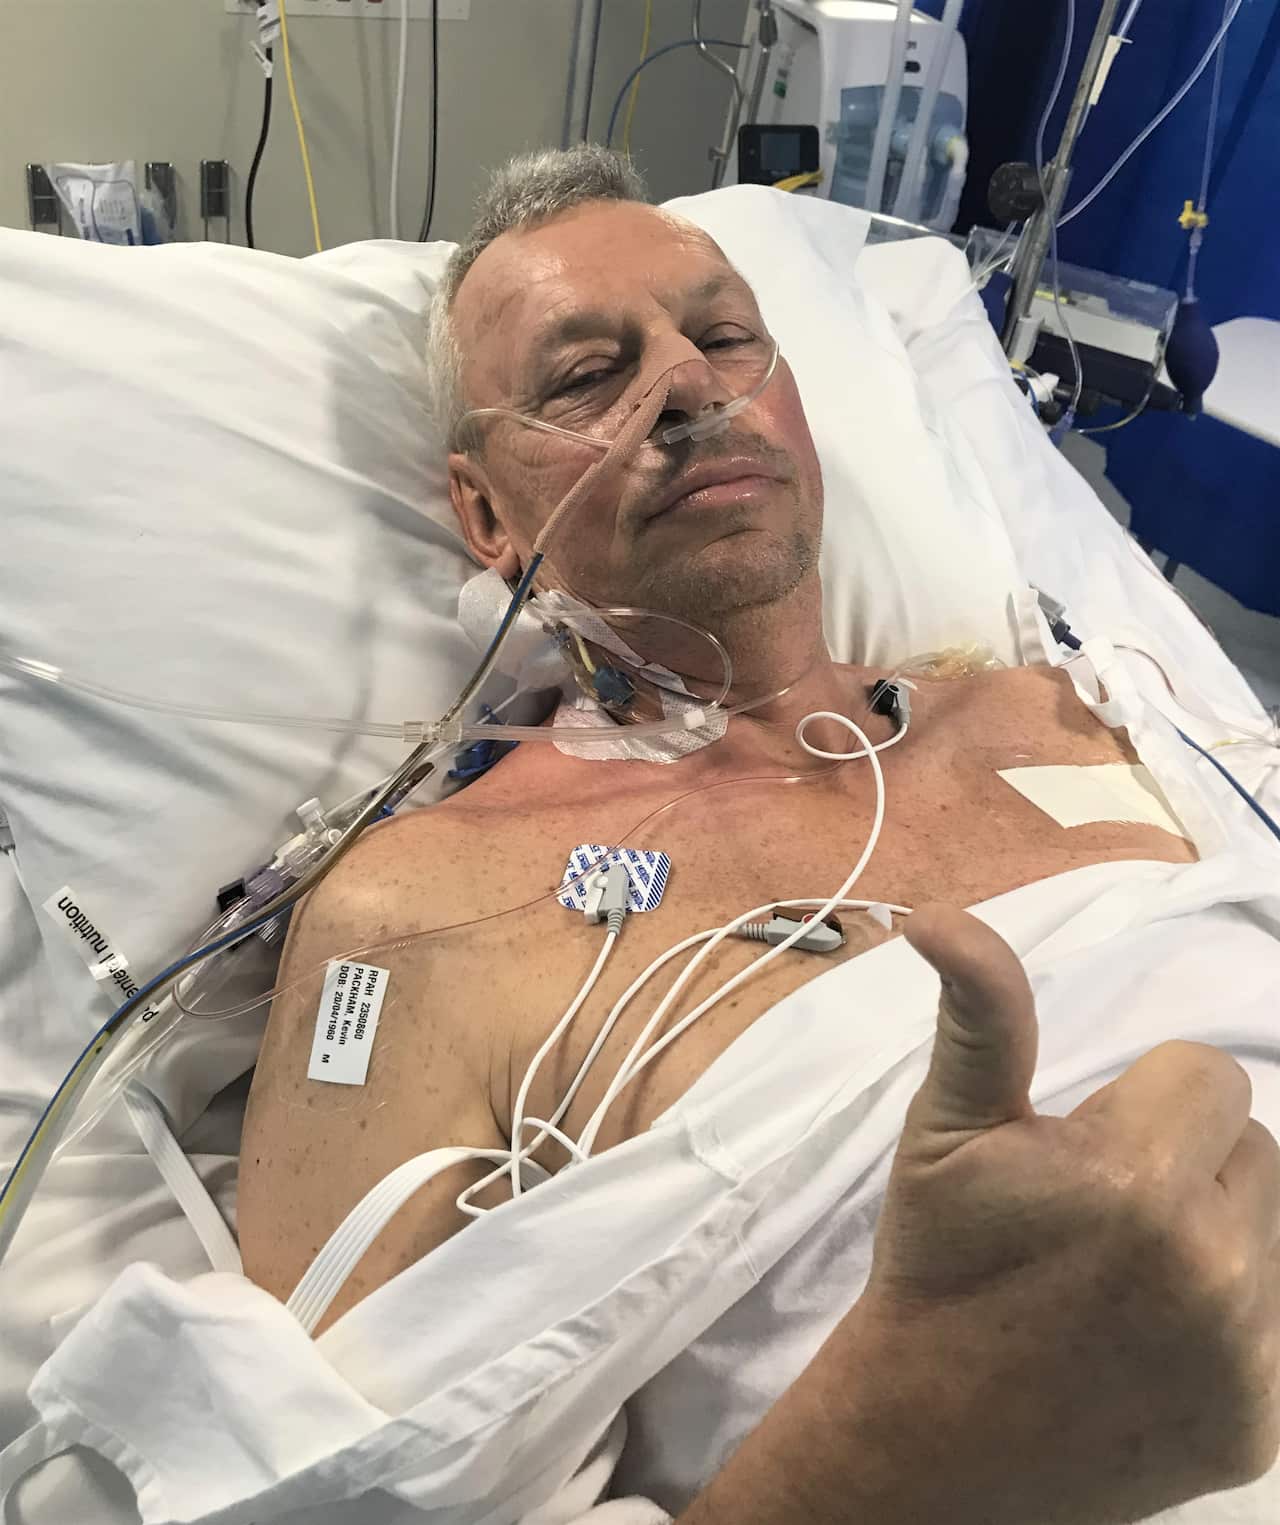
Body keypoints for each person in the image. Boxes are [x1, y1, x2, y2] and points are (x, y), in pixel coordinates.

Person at [238, 148, 1280, 1522]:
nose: (685, 382)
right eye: (582, 375)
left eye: (724, 335)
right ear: (486, 514)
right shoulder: (421, 911)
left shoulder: (1079, 705)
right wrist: (905, 1442)